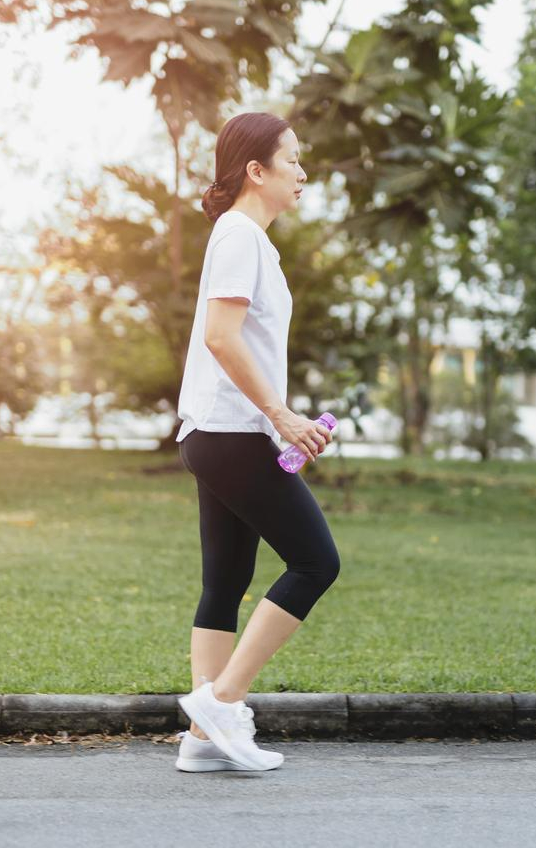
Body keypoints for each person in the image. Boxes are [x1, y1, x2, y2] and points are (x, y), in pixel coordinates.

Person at [173, 111, 339, 773]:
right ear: (257, 170)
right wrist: (282, 415)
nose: (303, 172)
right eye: (293, 159)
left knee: (226, 580)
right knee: (315, 562)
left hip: (216, 432)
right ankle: (223, 700)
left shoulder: (244, 238)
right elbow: (221, 335)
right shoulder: (240, 235)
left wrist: (281, 416)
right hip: (232, 431)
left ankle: (203, 740)